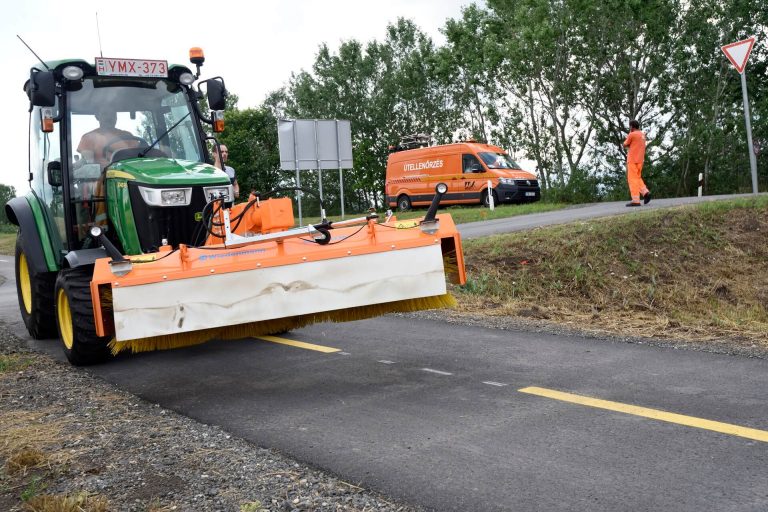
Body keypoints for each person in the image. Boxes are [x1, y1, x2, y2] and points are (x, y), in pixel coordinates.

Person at [623, 119, 650, 207]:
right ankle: (645, 193)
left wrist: (627, 143)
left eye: (629, 126)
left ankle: (635, 200)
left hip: (632, 160)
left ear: (631, 126)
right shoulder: (643, 135)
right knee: (637, 178)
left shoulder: (632, 134)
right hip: (640, 160)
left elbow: (625, 144)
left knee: (632, 180)